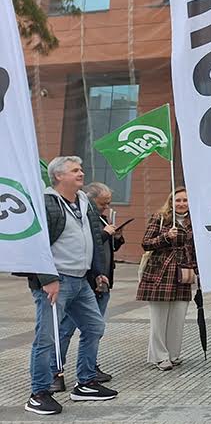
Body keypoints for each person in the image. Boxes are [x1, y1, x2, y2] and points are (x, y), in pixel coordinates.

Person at [22, 157, 118, 416]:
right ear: (58, 176)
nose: (81, 173)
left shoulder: (83, 200)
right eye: (75, 170)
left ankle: (85, 382)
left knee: (94, 326)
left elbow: (95, 238)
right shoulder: (46, 202)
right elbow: (36, 243)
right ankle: (38, 393)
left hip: (81, 279)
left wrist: (98, 272)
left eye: (81, 169)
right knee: (46, 338)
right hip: (56, 281)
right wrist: (47, 279)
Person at [50, 182, 122, 392]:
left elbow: (101, 249)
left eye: (108, 204)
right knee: (64, 330)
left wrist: (115, 238)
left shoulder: (99, 217)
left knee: (94, 329)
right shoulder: (78, 217)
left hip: (101, 280)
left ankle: (89, 370)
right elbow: (85, 244)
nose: (105, 208)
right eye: (102, 204)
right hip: (80, 281)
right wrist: (106, 234)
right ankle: (55, 372)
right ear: (89, 200)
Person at [136, 188, 197, 371]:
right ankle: (159, 357)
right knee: (159, 319)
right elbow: (146, 243)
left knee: (178, 317)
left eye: (185, 200)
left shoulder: (194, 221)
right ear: (171, 201)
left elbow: (196, 249)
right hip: (160, 274)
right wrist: (165, 237)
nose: (181, 203)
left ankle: (173, 354)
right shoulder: (160, 218)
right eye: (178, 200)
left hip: (183, 274)